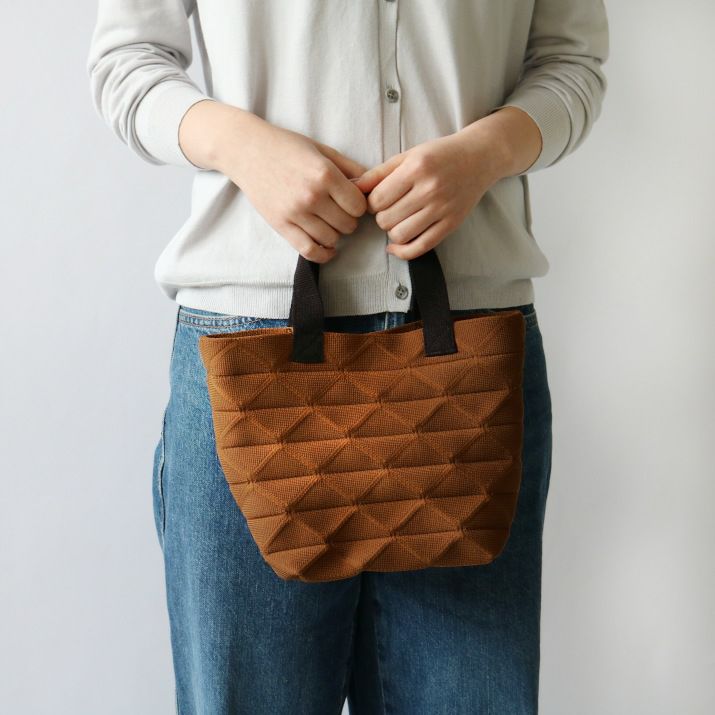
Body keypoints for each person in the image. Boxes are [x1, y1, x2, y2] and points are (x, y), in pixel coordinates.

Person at [86, 1, 609, 712]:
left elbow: (571, 63)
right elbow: (126, 61)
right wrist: (245, 148)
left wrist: (482, 155)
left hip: (470, 352)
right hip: (250, 347)